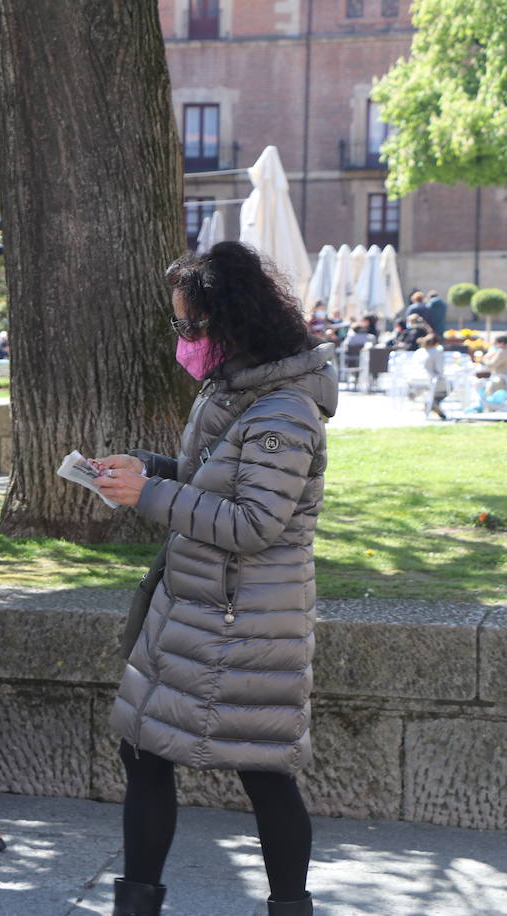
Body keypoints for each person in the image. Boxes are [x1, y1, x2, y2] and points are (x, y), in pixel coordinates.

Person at [94, 241, 337, 916]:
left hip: (244, 620)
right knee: (145, 752)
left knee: (263, 771)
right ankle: (137, 903)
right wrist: (146, 469)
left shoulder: (282, 413)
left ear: (229, 324)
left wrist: (148, 495)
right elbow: (214, 482)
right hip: (199, 610)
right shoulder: (238, 391)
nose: (184, 340)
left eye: (190, 326)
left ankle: (289, 905)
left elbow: (255, 521)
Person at [420, 332, 450, 420]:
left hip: (414, 380)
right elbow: (439, 369)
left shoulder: (419, 351)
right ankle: (433, 403)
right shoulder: (436, 352)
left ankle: (432, 403)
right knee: (451, 385)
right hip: (431, 380)